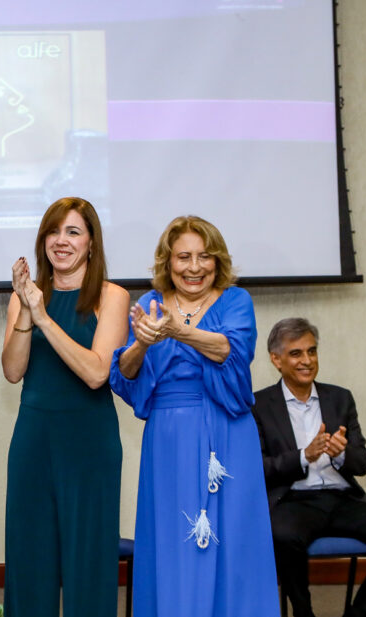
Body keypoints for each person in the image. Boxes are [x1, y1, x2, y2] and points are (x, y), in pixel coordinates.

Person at [108, 215, 278, 617]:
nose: (194, 267)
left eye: (204, 257)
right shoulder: (149, 305)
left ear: (218, 261)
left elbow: (228, 351)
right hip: (169, 440)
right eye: (183, 257)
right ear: (168, 263)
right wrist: (142, 343)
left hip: (228, 435)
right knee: (172, 539)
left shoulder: (236, 301)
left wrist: (175, 330)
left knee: (234, 540)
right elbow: (125, 374)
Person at [0, 197, 128, 617]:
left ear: (91, 243)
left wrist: (43, 315)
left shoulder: (112, 297)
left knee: (88, 559)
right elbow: (13, 371)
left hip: (89, 441)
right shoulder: (23, 298)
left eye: (73, 232)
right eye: (53, 232)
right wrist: (27, 310)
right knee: (29, 555)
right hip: (34, 438)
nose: (61, 241)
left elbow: (95, 373)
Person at [252, 318, 366, 617]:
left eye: (312, 351)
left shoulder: (340, 398)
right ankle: (304, 613)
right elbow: (258, 468)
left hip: (343, 497)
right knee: (282, 536)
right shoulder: (259, 405)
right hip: (293, 499)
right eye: (296, 354)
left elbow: (363, 463)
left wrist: (341, 454)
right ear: (276, 360)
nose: (307, 361)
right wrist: (304, 456)